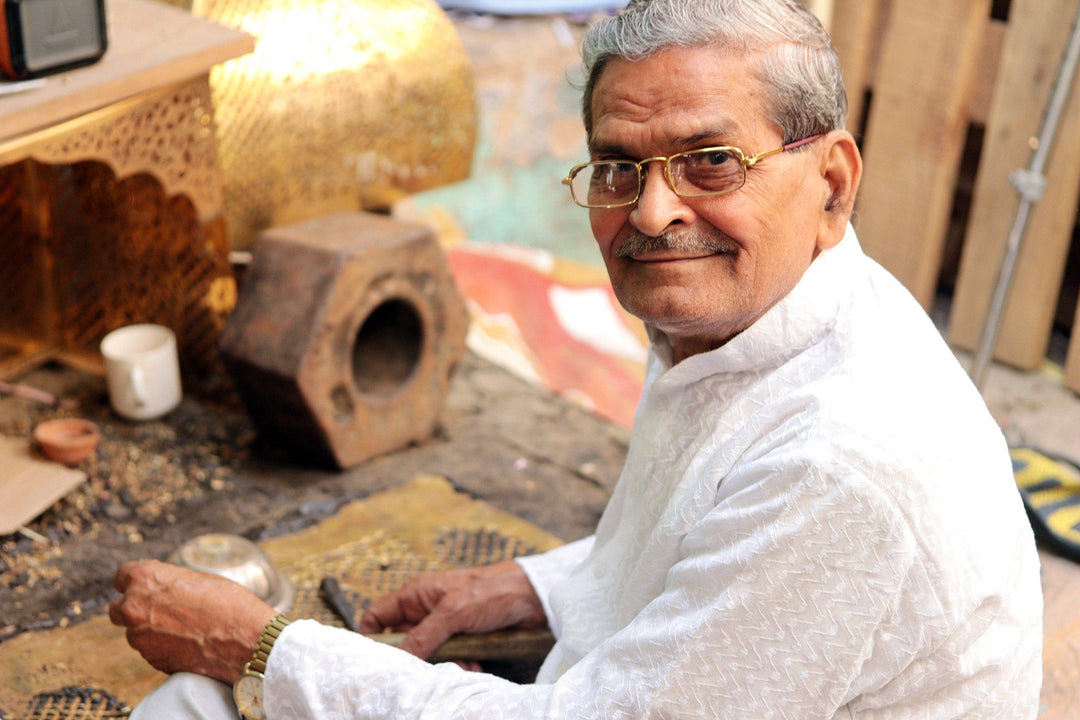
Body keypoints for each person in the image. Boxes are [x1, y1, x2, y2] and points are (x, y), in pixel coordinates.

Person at [109, 0, 1043, 717]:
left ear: (831, 183)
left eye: (710, 161)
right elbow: (705, 522)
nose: (650, 213)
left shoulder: (845, 465)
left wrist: (259, 650)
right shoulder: (758, 313)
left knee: (210, 698)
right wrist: (533, 587)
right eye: (618, 167)